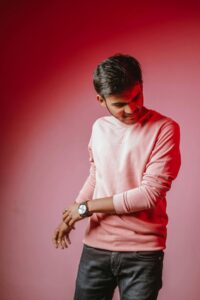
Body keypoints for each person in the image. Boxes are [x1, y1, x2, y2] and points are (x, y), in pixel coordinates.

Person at [52, 54, 181, 300]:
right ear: (101, 100)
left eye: (136, 97)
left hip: (142, 255)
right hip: (95, 250)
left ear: (141, 86)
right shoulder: (99, 128)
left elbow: (149, 195)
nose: (131, 109)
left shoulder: (165, 128)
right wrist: (73, 215)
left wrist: (85, 208)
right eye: (120, 104)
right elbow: (96, 176)